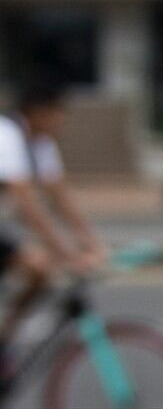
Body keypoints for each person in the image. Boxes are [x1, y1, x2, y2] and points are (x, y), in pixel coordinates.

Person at [0, 85, 107, 362]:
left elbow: (60, 199)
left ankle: (4, 337)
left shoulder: (41, 142)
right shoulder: (7, 135)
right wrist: (67, 254)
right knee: (38, 262)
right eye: (56, 115)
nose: (61, 123)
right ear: (37, 113)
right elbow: (27, 205)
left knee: (39, 271)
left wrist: (92, 243)